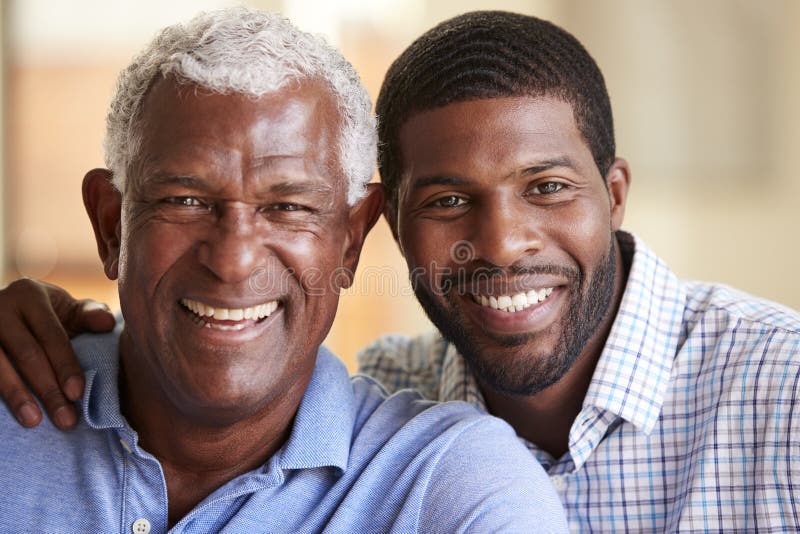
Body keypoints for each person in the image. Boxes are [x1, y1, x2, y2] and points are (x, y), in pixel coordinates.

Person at [2, 9, 798, 532]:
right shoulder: (394, 387)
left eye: (548, 188)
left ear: (614, 195)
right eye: (450, 199)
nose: (501, 243)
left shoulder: (783, 388)